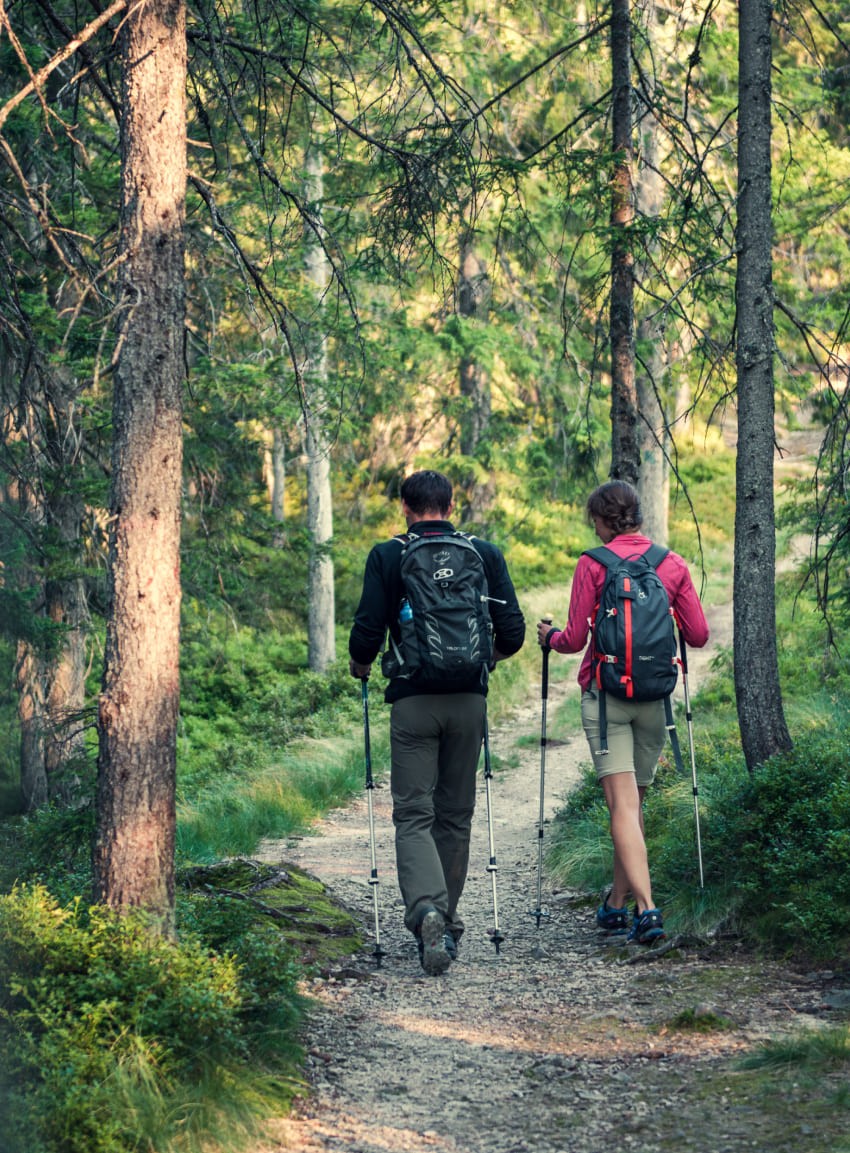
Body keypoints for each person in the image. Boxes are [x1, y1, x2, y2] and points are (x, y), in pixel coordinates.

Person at [349, 470, 525, 975]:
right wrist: (480, 660)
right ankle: (445, 922)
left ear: (404, 506)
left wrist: (362, 662)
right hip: (469, 699)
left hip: (412, 700)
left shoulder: (388, 554)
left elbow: (367, 631)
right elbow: (511, 632)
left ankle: (425, 907)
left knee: (413, 814)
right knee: (455, 813)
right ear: (452, 504)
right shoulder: (484, 553)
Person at [536, 480, 709, 945]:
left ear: (601, 519)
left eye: (592, 518)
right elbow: (698, 635)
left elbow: (573, 639)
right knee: (631, 808)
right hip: (655, 700)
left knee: (623, 808)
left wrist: (547, 637)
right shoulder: (671, 564)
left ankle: (647, 911)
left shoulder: (593, 565)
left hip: (607, 698)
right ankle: (616, 904)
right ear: (637, 515)